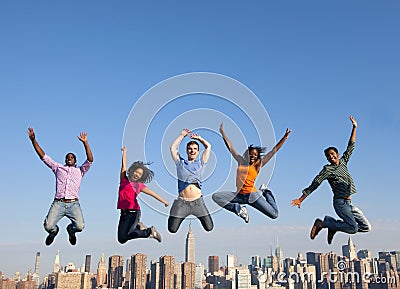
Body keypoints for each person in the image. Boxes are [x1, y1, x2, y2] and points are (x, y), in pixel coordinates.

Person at [291, 116, 371, 244]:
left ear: (337, 155)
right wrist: (301, 199)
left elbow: (351, 146)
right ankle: (325, 223)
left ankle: (333, 226)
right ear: (327, 159)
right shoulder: (327, 170)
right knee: (353, 228)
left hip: (349, 203)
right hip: (340, 203)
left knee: (366, 228)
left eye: (333, 154)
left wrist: (355, 127)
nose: (331, 157)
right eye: (328, 156)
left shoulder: (343, 162)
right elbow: (315, 184)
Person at [212, 123, 291, 223]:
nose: (253, 156)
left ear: (257, 156)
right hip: (239, 196)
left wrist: (285, 137)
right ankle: (239, 209)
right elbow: (230, 147)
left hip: (252, 196)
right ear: (247, 154)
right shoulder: (241, 161)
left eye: (255, 155)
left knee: (274, 214)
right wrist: (222, 132)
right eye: (251, 154)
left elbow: (273, 152)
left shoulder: (258, 165)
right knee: (216, 197)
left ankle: (266, 192)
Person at [27, 127, 93, 246]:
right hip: (58, 203)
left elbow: (90, 160)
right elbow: (43, 156)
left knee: (80, 226)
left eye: (72, 157)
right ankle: (53, 233)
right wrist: (33, 140)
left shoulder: (80, 170)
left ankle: (70, 231)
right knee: (48, 226)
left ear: (75, 161)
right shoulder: (58, 168)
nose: (69, 158)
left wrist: (85, 143)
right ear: (65, 160)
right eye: (67, 157)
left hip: (73, 204)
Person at [117, 146, 169, 243]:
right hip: (123, 213)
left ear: (141, 176)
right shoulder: (124, 179)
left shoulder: (138, 185)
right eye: (136, 172)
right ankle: (139, 226)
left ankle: (149, 231)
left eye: (139, 174)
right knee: (121, 239)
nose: (137, 174)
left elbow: (152, 193)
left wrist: (164, 201)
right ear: (132, 171)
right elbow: (123, 166)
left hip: (134, 212)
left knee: (128, 234)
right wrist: (124, 152)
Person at [168, 128, 214, 233]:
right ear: (187, 150)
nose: (192, 150)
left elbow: (208, 146)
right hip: (182, 202)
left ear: (198, 151)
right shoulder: (180, 163)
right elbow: (172, 148)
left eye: (194, 149)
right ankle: (175, 206)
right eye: (190, 148)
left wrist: (199, 138)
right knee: (172, 229)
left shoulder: (201, 163)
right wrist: (182, 135)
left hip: (198, 202)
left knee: (209, 227)